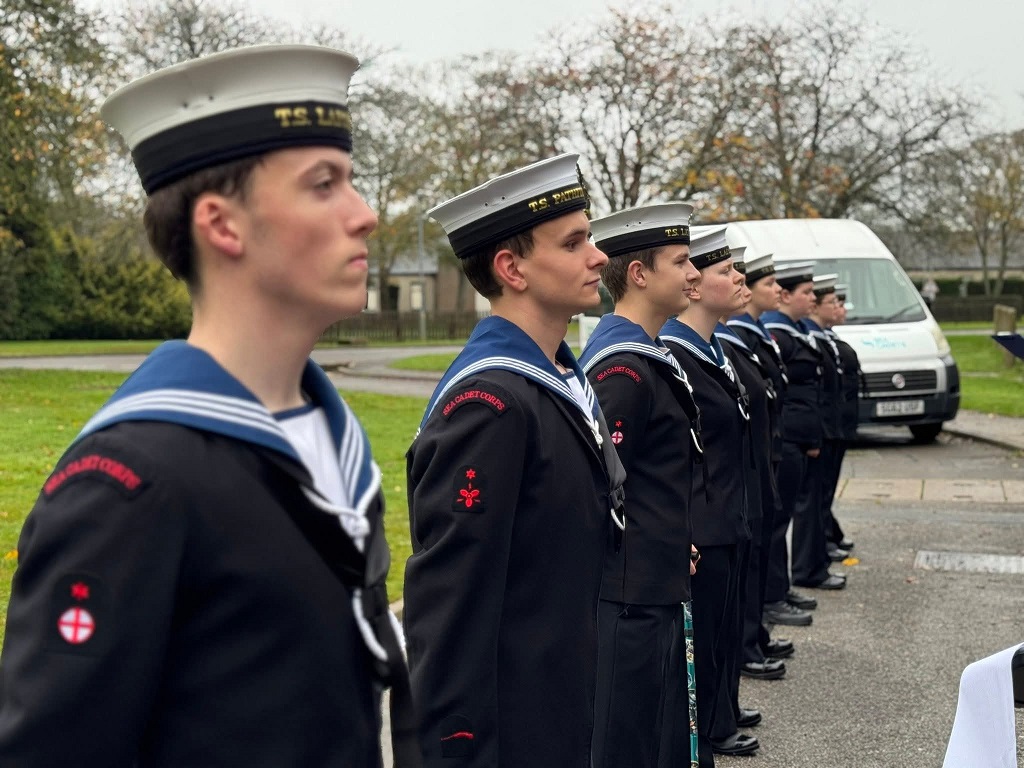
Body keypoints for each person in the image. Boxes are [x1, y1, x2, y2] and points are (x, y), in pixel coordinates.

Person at [0, 45, 415, 768]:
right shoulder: (127, 484)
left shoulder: (329, 438)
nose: (366, 214)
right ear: (222, 225)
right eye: (324, 185)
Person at [404, 154, 625, 768]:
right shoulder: (491, 404)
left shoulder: (557, 376)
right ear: (512, 268)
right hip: (511, 730)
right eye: (573, 243)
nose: (598, 257)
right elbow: (451, 610)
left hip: (559, 700)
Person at [577, 202, 703, 768]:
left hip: (652, 577)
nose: (694, 273)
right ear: (639, 274)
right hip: (629, 592)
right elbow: (599, 486)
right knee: (622, 740)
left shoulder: (647, 355)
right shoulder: (622, 367)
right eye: (681, 261)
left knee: (650, 734)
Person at [660, 227, 756, 761]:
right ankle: (712, 725)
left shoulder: (713, 349)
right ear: (694, 286)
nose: (739, 278)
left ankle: (723, 714)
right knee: (704, 640)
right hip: (702, 521)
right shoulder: (675, 353)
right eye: (726, 270)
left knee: (724, 632)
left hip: (727, 515)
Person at [725, 254, 810, 643]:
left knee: (769, 536)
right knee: (763, 541)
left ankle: (762, 618)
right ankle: (760, 619)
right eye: (768, 283)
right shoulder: (737, 337)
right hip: (757, 458)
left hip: (769, 451)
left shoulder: (751, 335)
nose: (777, 289)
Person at [791, 274, 848, 589]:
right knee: (808, 503)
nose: (813, 300)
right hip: (811, 433)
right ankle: (807, 568)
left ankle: (816, 560)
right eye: (809, 294)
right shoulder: (788, 336)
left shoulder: (813, 336)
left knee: (818, 500)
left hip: (825, 429)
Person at [824, 285, 859, 553]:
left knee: (825, 490)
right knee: (819, 492)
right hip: (826, 427)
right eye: (835, 303)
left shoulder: (830, 338)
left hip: (840, 424)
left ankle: (829, 533)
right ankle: (826, 536)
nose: (841, 309)